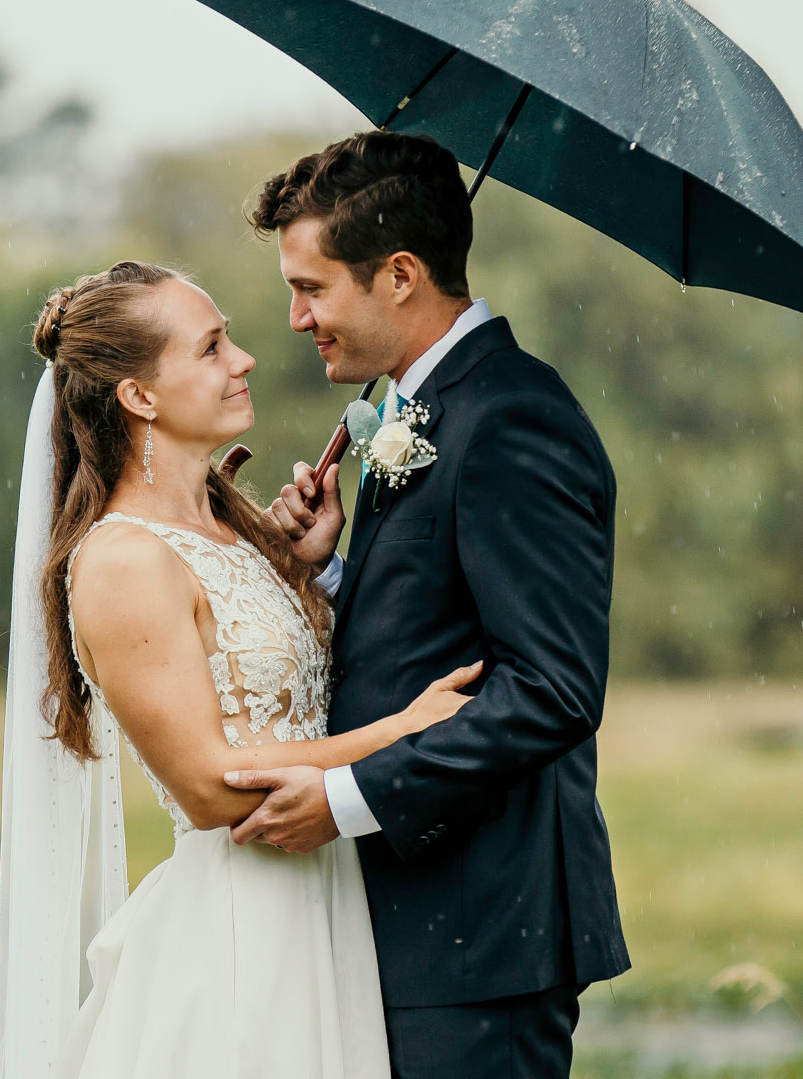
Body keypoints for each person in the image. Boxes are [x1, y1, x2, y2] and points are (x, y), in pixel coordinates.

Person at [0, 258, 480, 1078]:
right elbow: (212, 786)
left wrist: (312, 571)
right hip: (240, 938)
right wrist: (397, 734)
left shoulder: (238, 531)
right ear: (139, 397)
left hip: (326, 907)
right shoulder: (122, 560)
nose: (244, 358)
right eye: (212, 347)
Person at [229, 130, 630, 1078]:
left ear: (400, 273)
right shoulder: (424, 407)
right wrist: (331, 575)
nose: (294, 318)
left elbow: (553, 690)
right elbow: (437, 624)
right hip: (424, 923)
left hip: (481, 932)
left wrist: (346, 797)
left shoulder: (511, 417)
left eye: (312, 288)